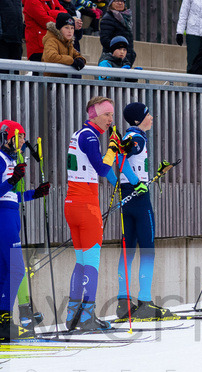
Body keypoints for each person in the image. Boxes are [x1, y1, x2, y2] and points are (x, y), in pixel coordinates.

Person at [64, 96, 141, 331]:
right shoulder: (89, 136)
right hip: (86, 205)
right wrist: (112, 148)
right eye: (107, 114)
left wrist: (116, 150)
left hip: (73, 203)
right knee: (92, 262)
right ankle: (86, 316)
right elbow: (102, 168)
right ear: (94, 114)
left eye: (112, 115)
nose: (111, 119)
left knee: (81, 262)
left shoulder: (80, 134)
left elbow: (103, 170)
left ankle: (73, 315)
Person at [115, 102, 177, 321]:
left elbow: (119, 159)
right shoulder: (138, 137)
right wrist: (136, 181)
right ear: (136, 120)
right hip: (139, 198)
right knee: (148, 248)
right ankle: (144, 302)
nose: (151, 117)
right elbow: (120, 158)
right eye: (147, 114)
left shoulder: (131, 136)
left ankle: (123, 303)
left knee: (127, 248)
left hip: (126, 195)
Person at [0, 120, 51, 342]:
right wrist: (12, 180)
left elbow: (13, 195)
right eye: (19, 136)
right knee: (17, 270)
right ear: (8, 137)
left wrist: (35, 194)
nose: (23, 141)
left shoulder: (10, 160)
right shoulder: (1, 160)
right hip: (4, 218)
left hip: (10, 214)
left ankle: (4, 323)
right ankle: (4, 322)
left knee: (5, 272)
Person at [99, 0, 135, 66]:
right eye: (116, 1)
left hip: (126, 58)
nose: (120, 3)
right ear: (111, 4)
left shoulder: (127, 18)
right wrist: (117, 49)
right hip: (112, 58)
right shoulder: (107, 18)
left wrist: (131, 54)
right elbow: (105, 39)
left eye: (122, 1)